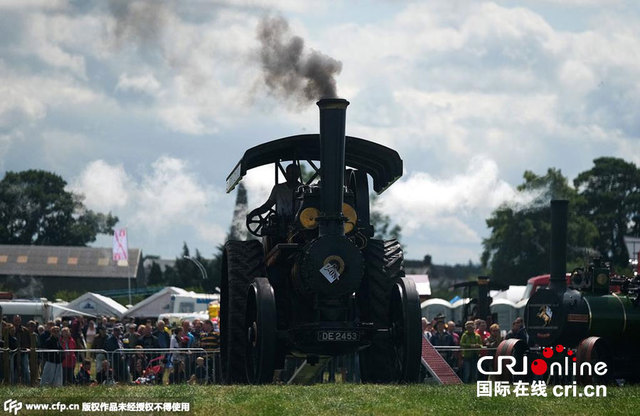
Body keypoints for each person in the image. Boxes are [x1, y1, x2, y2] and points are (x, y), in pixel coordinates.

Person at [12, 315, 32, 385]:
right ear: (13, 320)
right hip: (13, 353)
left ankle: (27, 384)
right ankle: (13, 384)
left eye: (18, 320)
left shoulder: (25, 330)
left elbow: (29, 341)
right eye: (16, 320)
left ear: (20, 320)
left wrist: (28, 349)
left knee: (26, 369)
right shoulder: (10, 329)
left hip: (24, 352)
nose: (17, 321)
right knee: (14, 369)